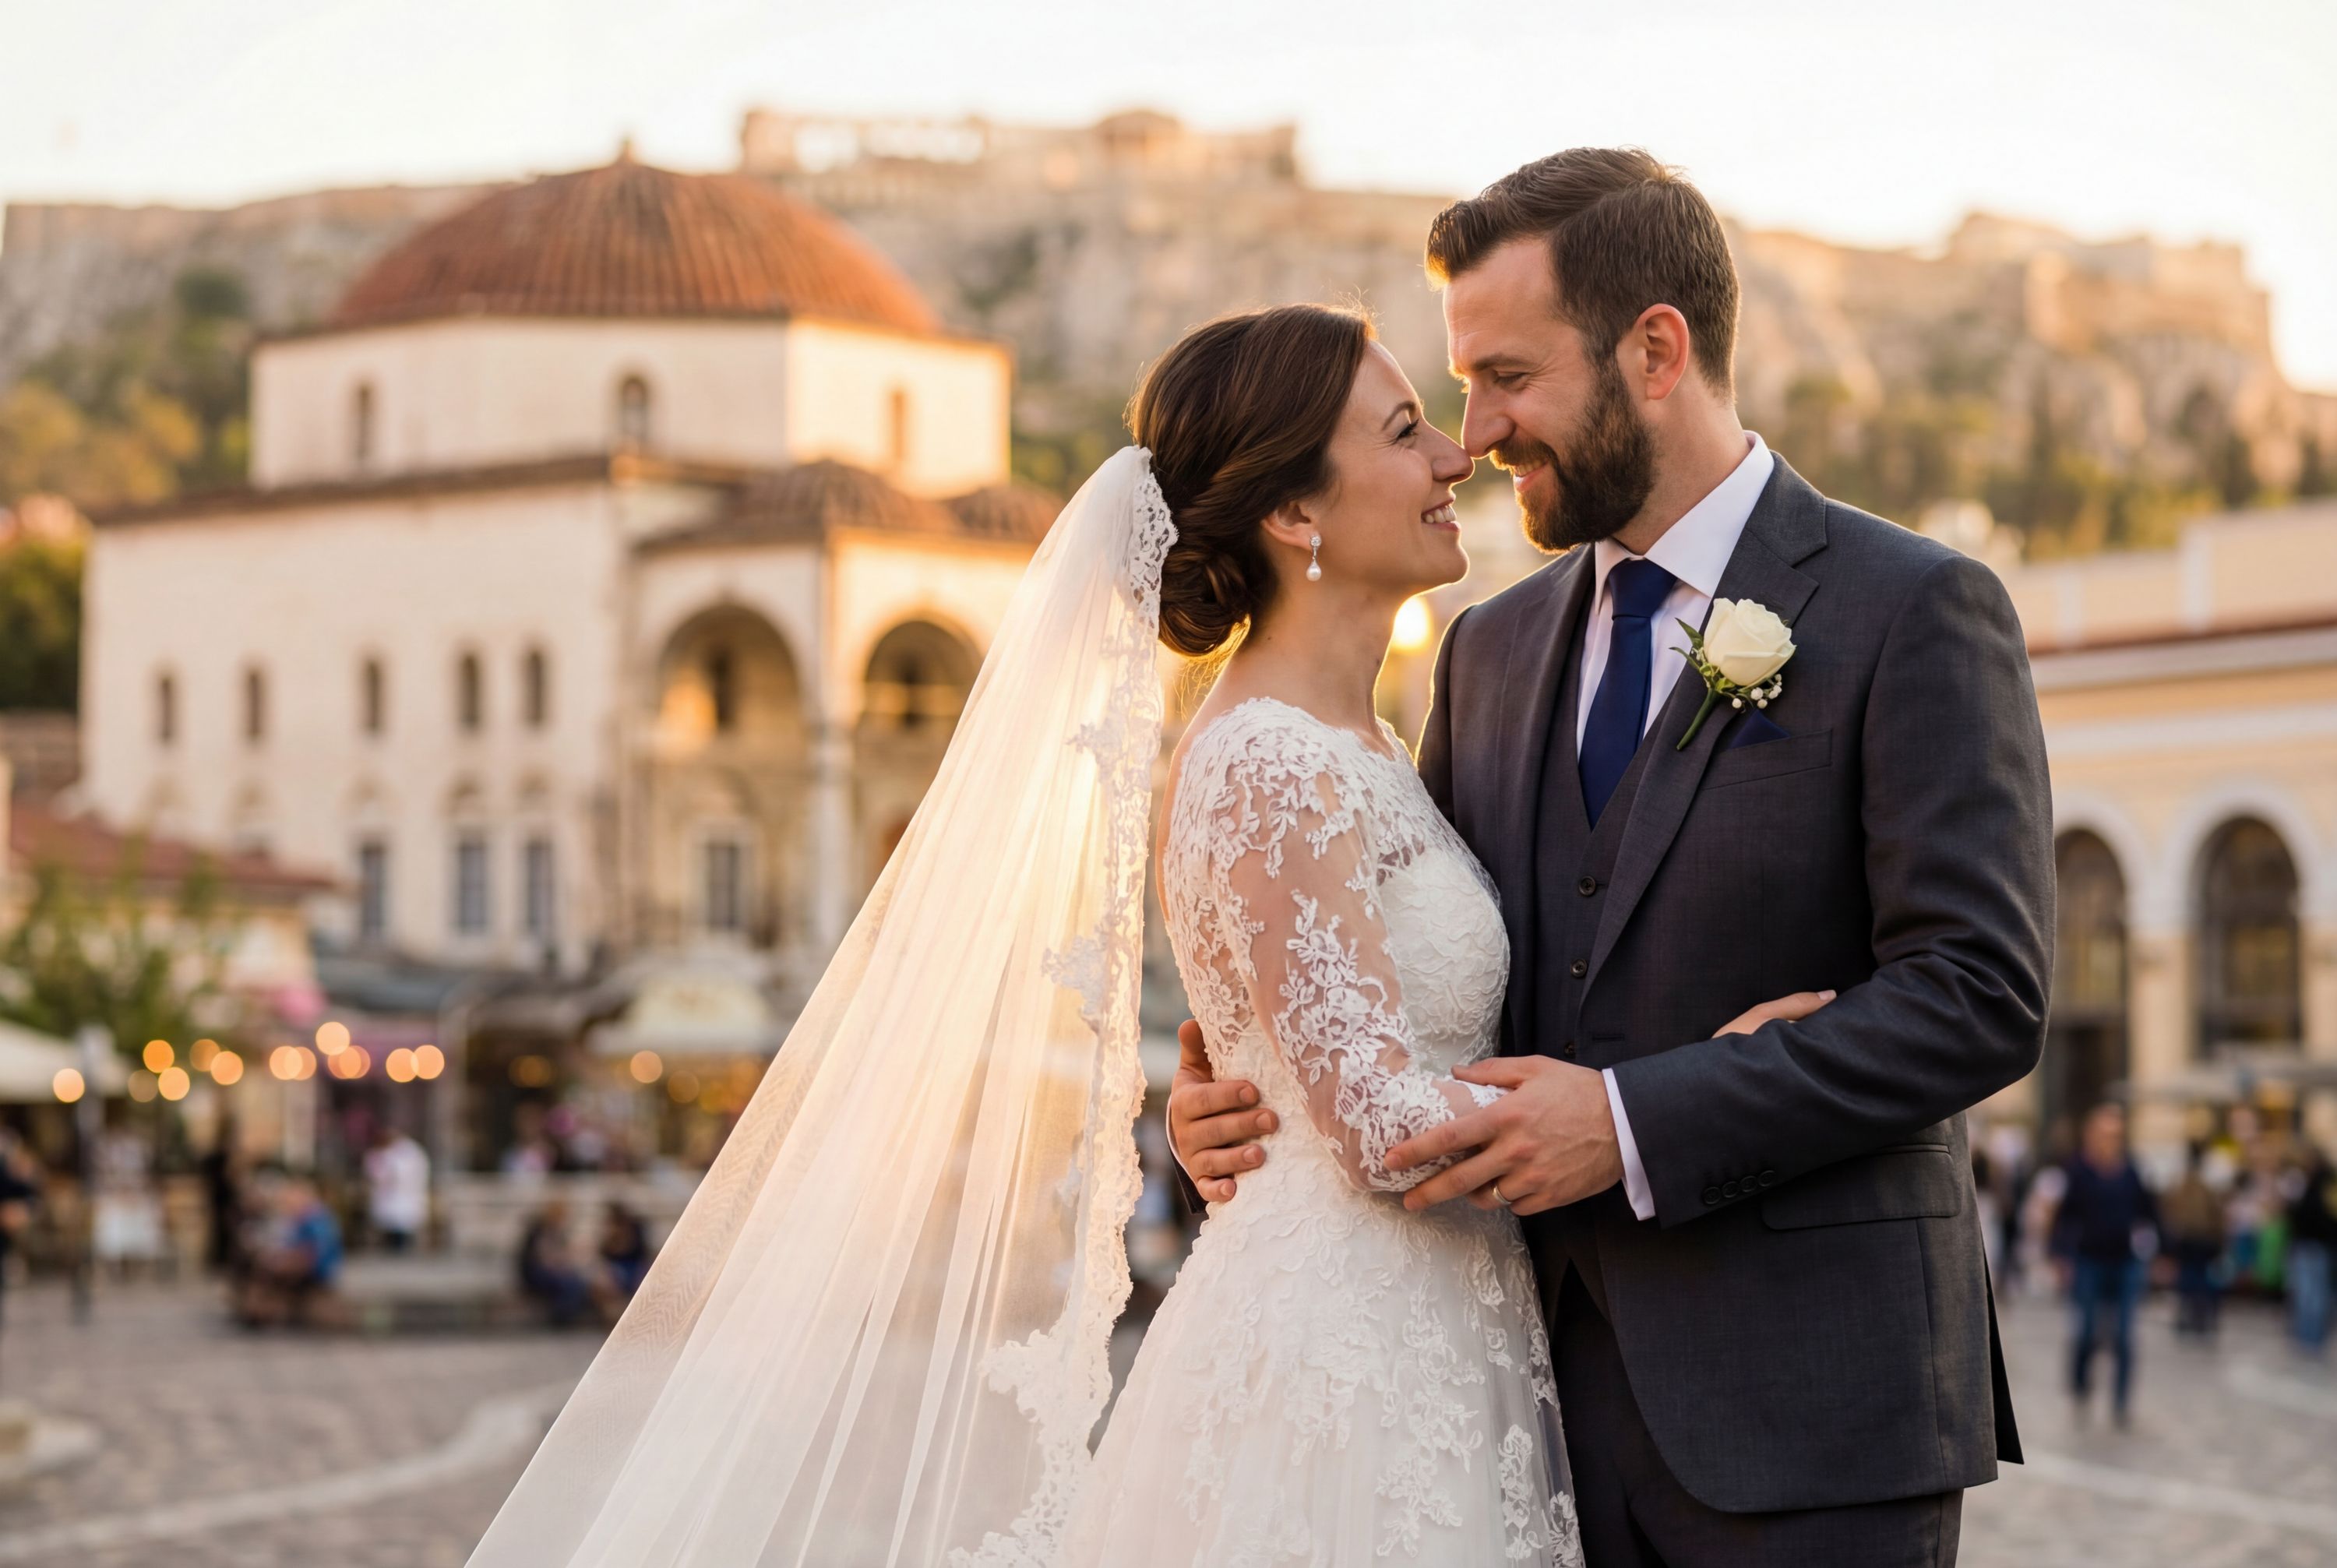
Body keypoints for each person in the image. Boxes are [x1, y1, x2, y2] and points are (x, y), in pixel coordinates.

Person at [1173, 148, 2047, 1566]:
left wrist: (1638, 1115)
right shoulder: (1490, 649)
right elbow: (1412, 956)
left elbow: (1982, 990)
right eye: (1454, 393)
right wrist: (1232, 1074)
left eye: (1507, 377)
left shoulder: (1916, 609)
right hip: (1522, 1415)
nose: (1477, 433)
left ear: (1655, 350)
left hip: (1811, 1416)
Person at [2049, 1104, 2157, 1425]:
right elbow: (2066, 1216)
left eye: (2116, 1133)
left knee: (2125, 1336)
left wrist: (2166, 1252)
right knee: (2086, 1331)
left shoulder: (2131, 1170)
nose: (2111, 1139)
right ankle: (2081, 1386)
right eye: (2105, 1133)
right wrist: (2059, 1255)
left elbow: (2149, 1211)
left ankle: (2121, 1403)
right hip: (2089, 1261)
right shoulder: (2079, 1171)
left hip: (2125, 1262)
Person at [235, 1173, 344, 1327]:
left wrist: (277, 1262)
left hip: (316, 1273)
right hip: (303, 1267)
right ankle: (257, 1309)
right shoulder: (301, 1219)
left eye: (289, 1198)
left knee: (265, 1273)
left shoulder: (315, 1220)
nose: (285, 1203)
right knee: (259, 1269)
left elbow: (310, 1255)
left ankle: (259, 1311)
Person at [2162, 1143, 2227, 1337]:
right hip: (2199, 1238)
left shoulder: (2184, 1183)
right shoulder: (2205, 1183)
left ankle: (2193, 1316)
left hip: (2192, 1238)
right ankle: (2198, 1317)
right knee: (2197, 1278)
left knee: (2191, 1278)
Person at [2287, 1145, 2337, 1353]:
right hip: (2312, 1243)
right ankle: (2307, 1337)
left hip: (2316, 1244)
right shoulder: (2310, 1184)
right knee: (2308, 1293)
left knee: (2313, 1294)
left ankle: (2311, 1338)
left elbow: (2324, 1217)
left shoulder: (2324, 1186)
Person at [515, 1200, 590, 1327]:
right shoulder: (539, 1231)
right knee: (568, 1283)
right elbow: (542, 1258)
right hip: (535, 1272)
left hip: (551, 1270)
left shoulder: (558, 1232)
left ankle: (568, 1313)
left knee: (576, 1281)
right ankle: (561, 1316)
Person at [362, 1124, 430, 1253]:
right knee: (393, 1224)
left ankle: (401, 1247)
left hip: (404, 1195)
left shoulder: (409, 1152)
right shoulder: (383, 1153)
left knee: (402, 1224)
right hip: (393, 1196)